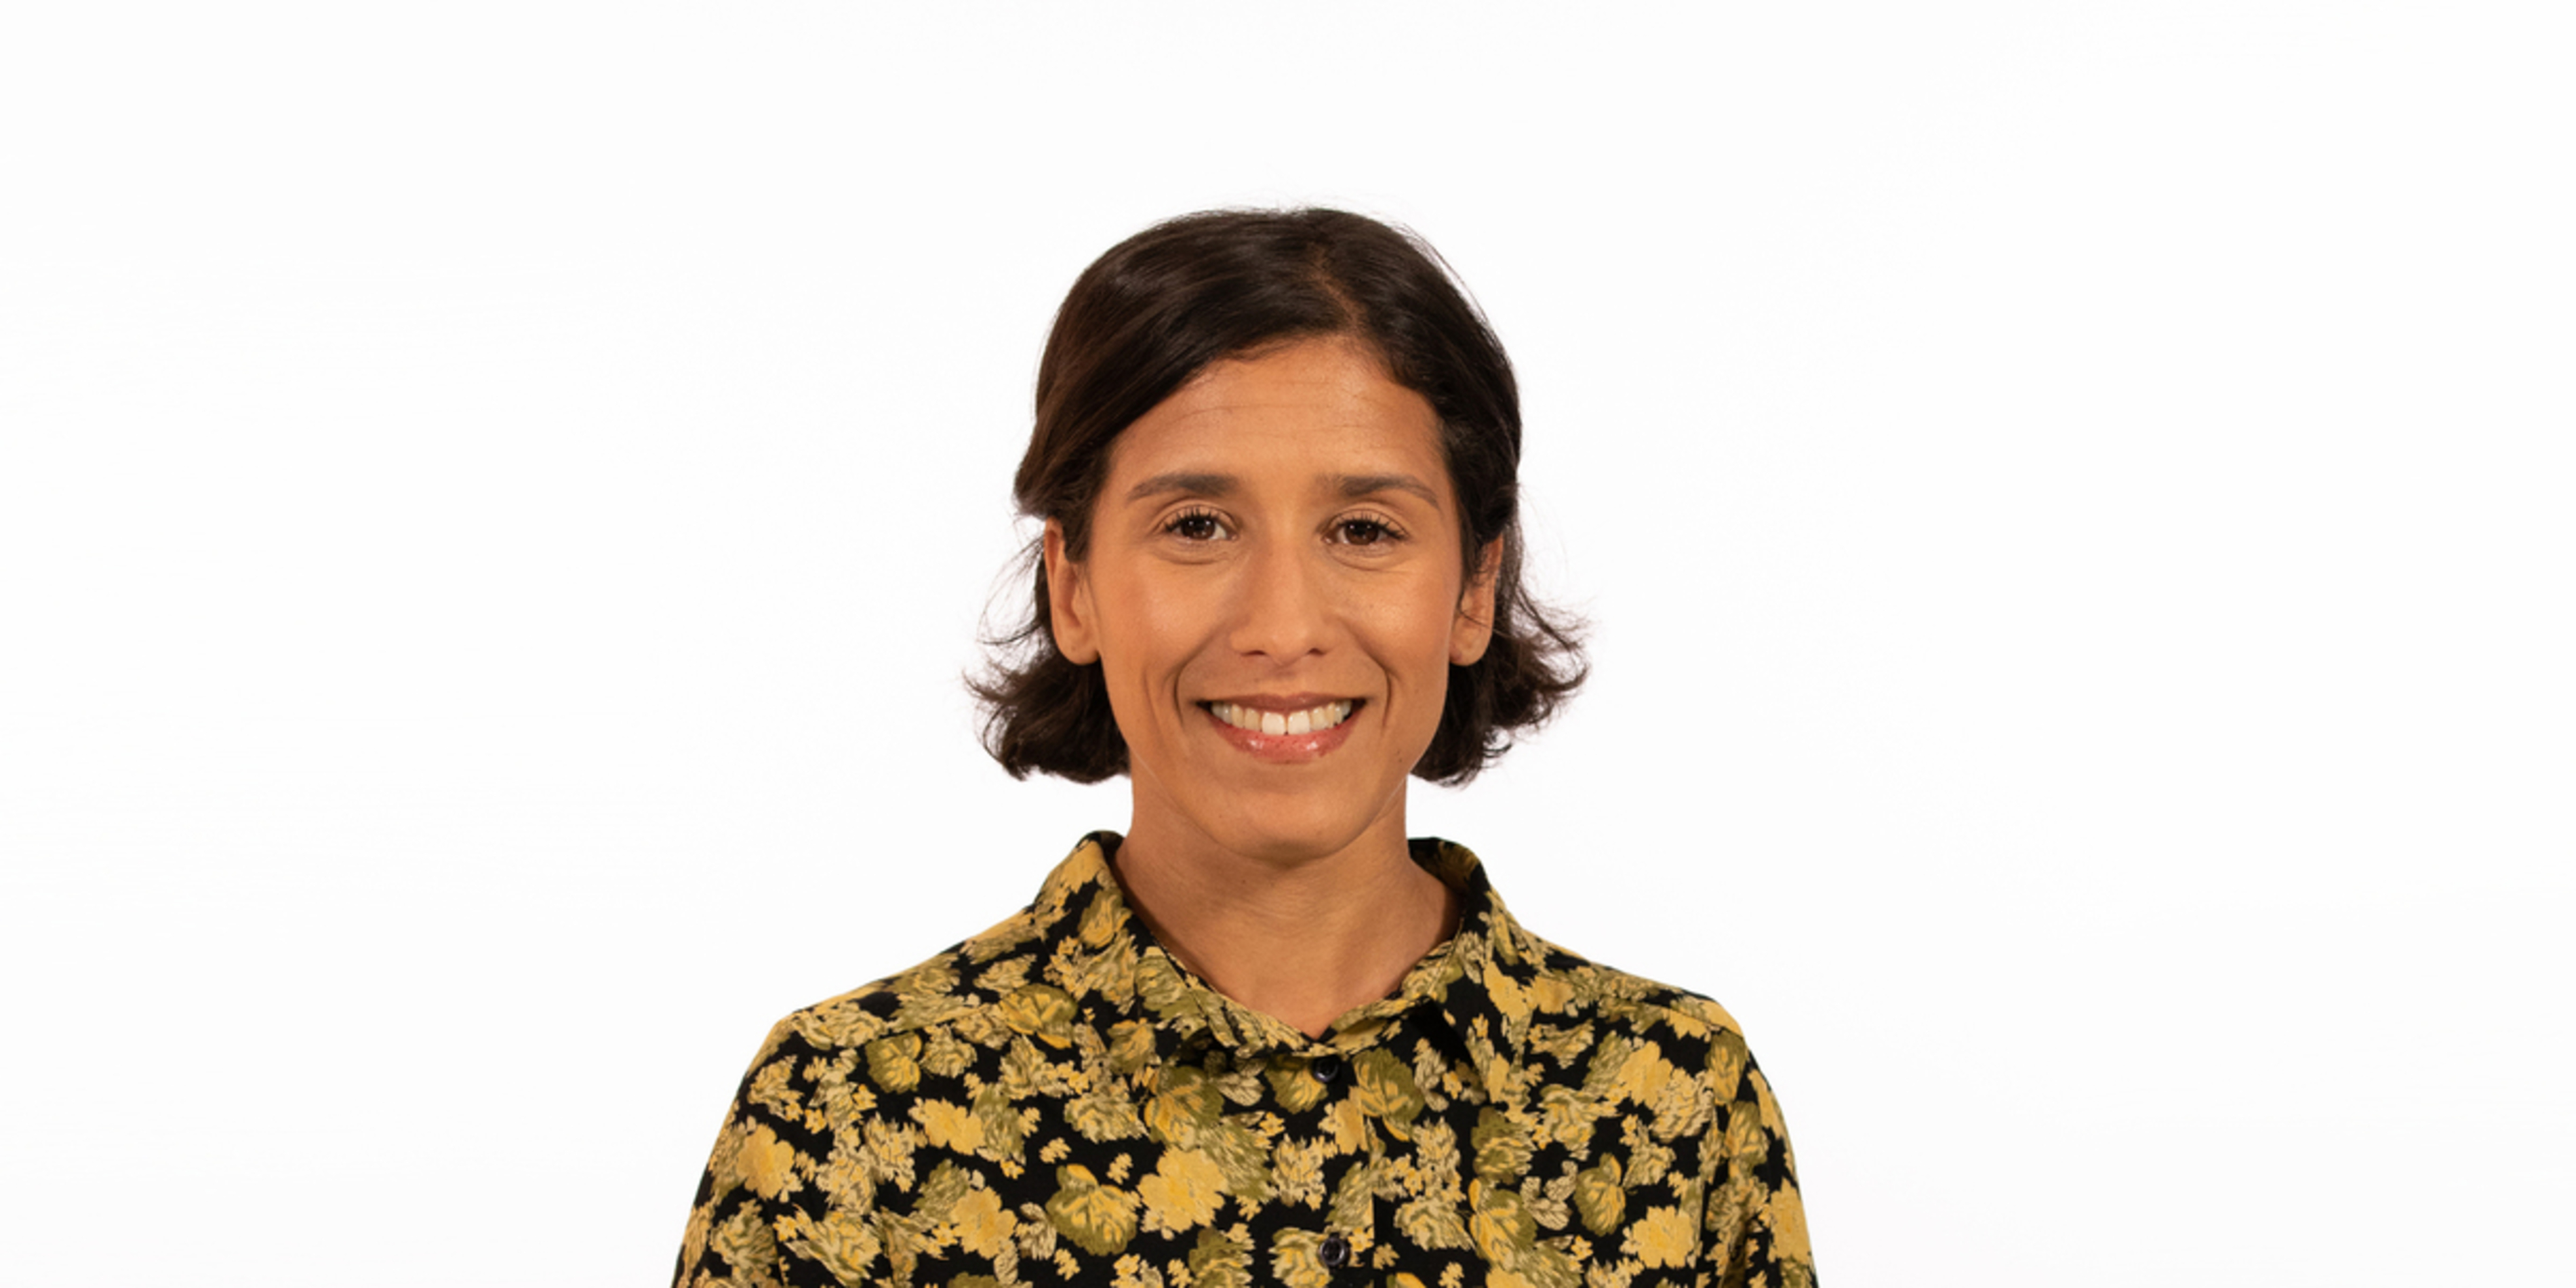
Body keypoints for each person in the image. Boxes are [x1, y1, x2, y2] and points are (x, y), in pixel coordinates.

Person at [672, 209, 1816, 1288]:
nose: (1282, 626)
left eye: (1363, 530)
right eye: (1197, 526)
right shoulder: (843, 1117)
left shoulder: (1675, 1102)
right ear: (1073, 586)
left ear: (1475, 588)